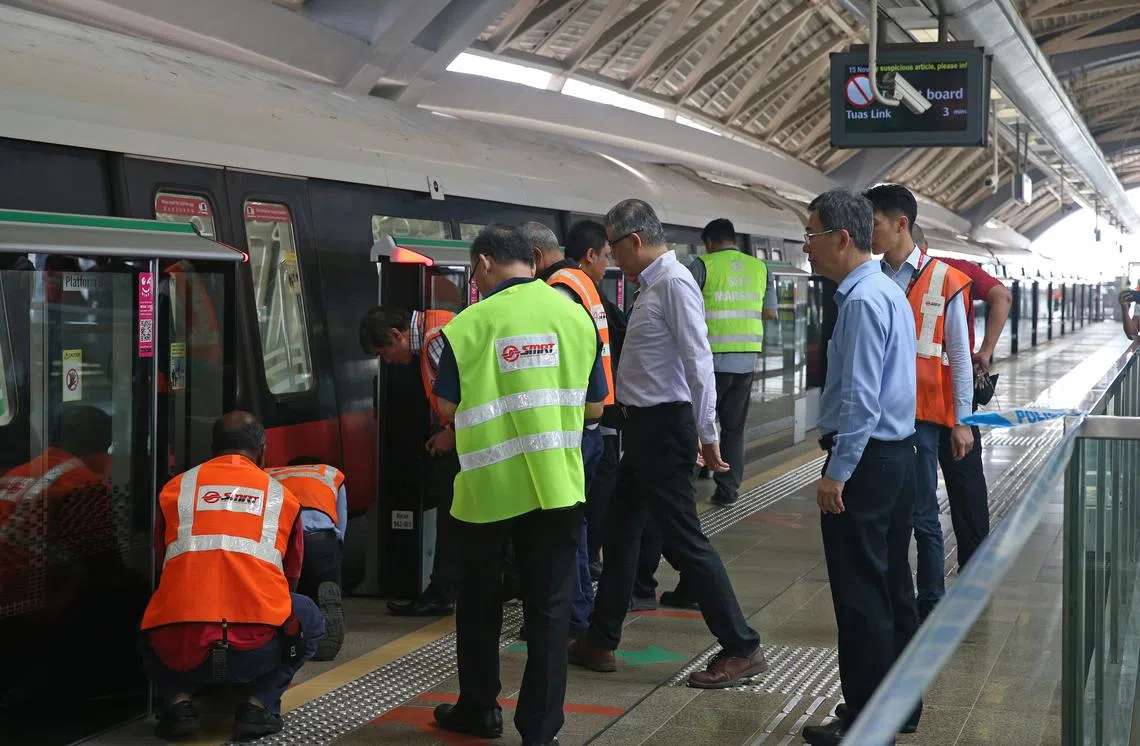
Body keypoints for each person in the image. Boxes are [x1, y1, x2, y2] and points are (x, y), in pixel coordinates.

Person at [567, 199, 767, 689]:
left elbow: (699, 361)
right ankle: (600, 639)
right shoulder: (653, 285)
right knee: (621, 533)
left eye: (614, 247)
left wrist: (708, 434)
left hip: (663, 430)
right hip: (643, 431)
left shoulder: (674, 284)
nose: (612, 257)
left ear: (634, 240)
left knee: (684, 540)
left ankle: (742, 646)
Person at [430, 224, 608, 746]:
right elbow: (595, 407)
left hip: (488, 490)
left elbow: (446, 406)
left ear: (485, 263)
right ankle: (540, 730)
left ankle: (479, 709)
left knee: (479, 603)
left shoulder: (469, 325)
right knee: (550, 609)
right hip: (556, 488)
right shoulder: (574, 316)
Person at [799, 189, 921, 746]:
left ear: (842, 238)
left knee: (860, 595)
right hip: (896, 457)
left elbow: (862, 402)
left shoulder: (863, 301)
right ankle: (898, 709)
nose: (807, 247)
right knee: (892, 587)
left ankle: (868, 722)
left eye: (812, 235)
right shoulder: (887, 290)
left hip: (867, 463)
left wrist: (838, 472)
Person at [139, 412, 325, 741]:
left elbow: (162, 564)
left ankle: (178, 704)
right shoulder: (282, 497)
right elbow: (290, 578)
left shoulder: (175, 489)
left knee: (152, 613)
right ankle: (259, 706)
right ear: (263, 452)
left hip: (181, 648)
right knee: (308, 614)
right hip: (254, 649)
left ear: (213, 449)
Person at [866, 183, 974, 622]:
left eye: (873, 223)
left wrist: (963, 421)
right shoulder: (870, 277)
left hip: (924, 418)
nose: (867, 232)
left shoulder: (945, 279)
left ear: (900, 224)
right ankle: (894, 598)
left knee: (924, 514)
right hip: (878, 415)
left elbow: (960, 356)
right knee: (884, 514)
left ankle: (930, 600)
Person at [522, 220, 612, 640]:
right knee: (575, 527)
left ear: (534, 257)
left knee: (564, 531)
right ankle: (580, 612)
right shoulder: (583, 283)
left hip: (572, 428)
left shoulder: (559, 290)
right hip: (591, 421)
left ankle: (574, 618)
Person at [910, 223, 1012, 570]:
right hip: (957, 390)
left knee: (916, 487)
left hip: (915, 396)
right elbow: (1002, 296)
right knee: (966, 481)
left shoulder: (894, 276)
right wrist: (985, 350)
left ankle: (923, 575)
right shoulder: (958, 269)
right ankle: (975, 565)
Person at [360, 306, 460, 617]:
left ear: (396, 334)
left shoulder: (435, 340)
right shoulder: (435, 330)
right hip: (465, 434)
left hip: (469, 439)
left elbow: (473, 389)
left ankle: (442, 594)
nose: (387, 361)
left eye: (384, 353)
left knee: (452, 517)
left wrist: (453, 432)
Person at [564, 219, 626, 582]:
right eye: (606, 255)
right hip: (588, 418)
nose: (609, 263)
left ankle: (589, 566)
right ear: (589, 255)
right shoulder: (575, 290)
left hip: (597, 415)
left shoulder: (585, 290)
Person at [266, 457, 348, 660]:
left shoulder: (269, 475)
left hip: (287, 543)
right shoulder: (329, 474)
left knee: (285, 594)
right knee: (324, 582)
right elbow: (341, 525)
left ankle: (290, 633)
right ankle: (325, 600)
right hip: (322, 541)